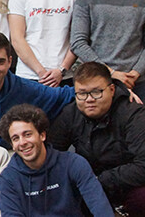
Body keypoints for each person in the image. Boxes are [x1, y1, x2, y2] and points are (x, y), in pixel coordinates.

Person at [48, 62, 145, 216]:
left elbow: (143, 165)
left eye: (96, 92)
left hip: (128, 184)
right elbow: (50, 154)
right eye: (82, 93)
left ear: (112, 90)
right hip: (88, 184)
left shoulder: (133, 114)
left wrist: (100, 180)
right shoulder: (70, 114)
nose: (89, 99)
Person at [0, 104, 114, 216]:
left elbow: (100, 206)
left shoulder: (73, 163)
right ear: (12, 145)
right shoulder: (8, 178)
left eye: (27, 134)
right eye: (16, 138)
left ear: (42, 135)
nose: (22, 143)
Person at [71, 0, 145, 99]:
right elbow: (77, 43)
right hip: (100, 84)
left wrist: (135, 72)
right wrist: (110, 72)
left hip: (139, 82)